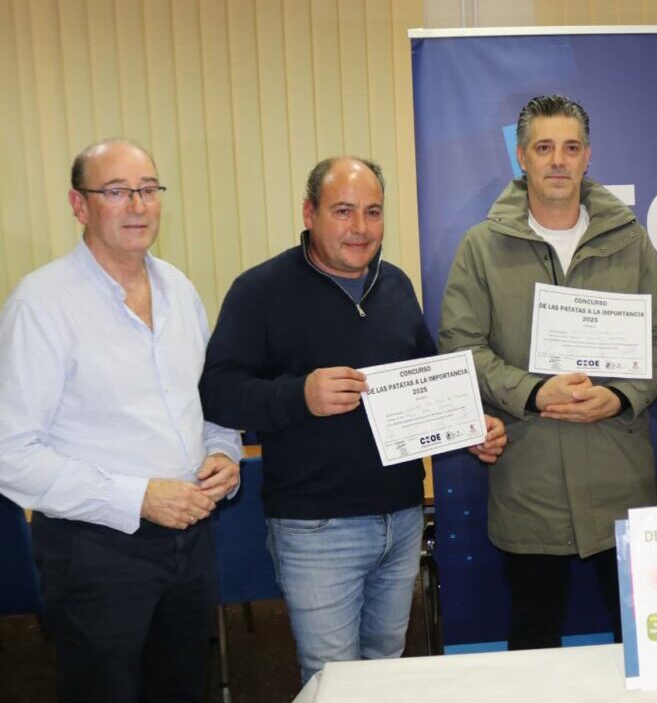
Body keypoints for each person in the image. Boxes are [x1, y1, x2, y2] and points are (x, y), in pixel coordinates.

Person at [199, 156, 507, 684]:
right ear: (309, 213)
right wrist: (301, 394)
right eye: (343, 211)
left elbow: (426, 385)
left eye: (373, 211)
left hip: (402, 518)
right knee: (333, 679)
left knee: (384, 672)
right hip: (317, 528)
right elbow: (218, 395)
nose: (360, 227)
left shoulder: (396, 286)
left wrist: (470, 426)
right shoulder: (259, 291)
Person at [0, 139, 242, 702]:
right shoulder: (41, 304)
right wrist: (137, 499)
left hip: (190, 541)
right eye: (115, 192)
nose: (137, 205)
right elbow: (10, 452)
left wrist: (223, 451)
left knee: (182, 689)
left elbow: (206, 401)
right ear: (78, 205)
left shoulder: (179, 289)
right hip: (95, 550)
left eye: (148, 189)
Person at [438, 94, 657, 650]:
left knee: (643, 645)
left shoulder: (631, 239)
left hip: (619, 479)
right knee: (533, 644)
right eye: (544, 148)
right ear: (522, 156)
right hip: (531, 481)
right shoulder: (482, 247)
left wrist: (621, 396)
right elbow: (461, 346)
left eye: (571, 148)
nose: (558, 161)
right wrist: (533, 392)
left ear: (588, 157)